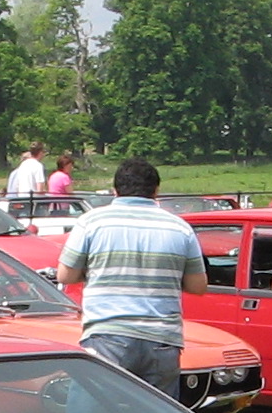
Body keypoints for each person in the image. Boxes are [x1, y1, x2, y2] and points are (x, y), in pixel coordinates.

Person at [56, 157, 207, 399]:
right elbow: (198, 286)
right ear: (156, 191)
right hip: (162, 337)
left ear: (115, 190)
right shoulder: (179, 227)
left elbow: (66, 275)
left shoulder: (91, 222)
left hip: (107, 334)